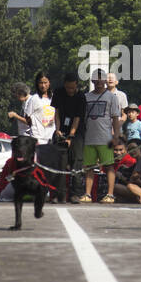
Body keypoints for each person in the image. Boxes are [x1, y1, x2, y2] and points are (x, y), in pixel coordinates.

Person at [79, 69, 122, 204]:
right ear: (92, 81)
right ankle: (87, 194)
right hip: (89, 137)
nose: (98, 82)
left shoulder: (111, 97)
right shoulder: (86, 97)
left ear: (105, 80)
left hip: (105, 138)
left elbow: (115, 118)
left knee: (109, 166)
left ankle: (110, 194)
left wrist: (116, 136)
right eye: (96, 80)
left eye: (101, 79)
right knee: (89, 167)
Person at [52, 72, 86, 204]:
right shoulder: (59, 93)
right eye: (67, 87)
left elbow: (77, 118)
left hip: (77, 132)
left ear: (76, 85)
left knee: (76, 161)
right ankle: (58, 194)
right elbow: (57, 113)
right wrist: (58, 130)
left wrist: (71, 136)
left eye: (72, 88)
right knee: (60, 162)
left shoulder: (80, 96)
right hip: (62, 130)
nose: (70, 90)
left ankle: (75, 193)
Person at [23, 72, 56, 144]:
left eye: (45, 82)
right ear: (37, 84)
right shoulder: (34, 99)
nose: (43, 86)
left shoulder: (54, 98)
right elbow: (27, 117)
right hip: (38, 139)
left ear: (49, 83)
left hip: (51, 138)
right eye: (41, 83)